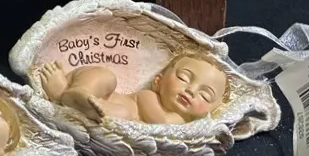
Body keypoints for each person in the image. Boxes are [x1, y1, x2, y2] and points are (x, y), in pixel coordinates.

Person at [36, 52, 228, 123]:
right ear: (158, 81)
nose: (191, 90)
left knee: (123, 115)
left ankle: (63, 96)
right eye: (183, 78)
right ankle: (80, 91)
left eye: (205, 95)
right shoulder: (149, 97)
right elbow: (161, 122)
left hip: (106, 112)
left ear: (211, 109)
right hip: (105, 96)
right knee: (106, 76)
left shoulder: (183, 125)